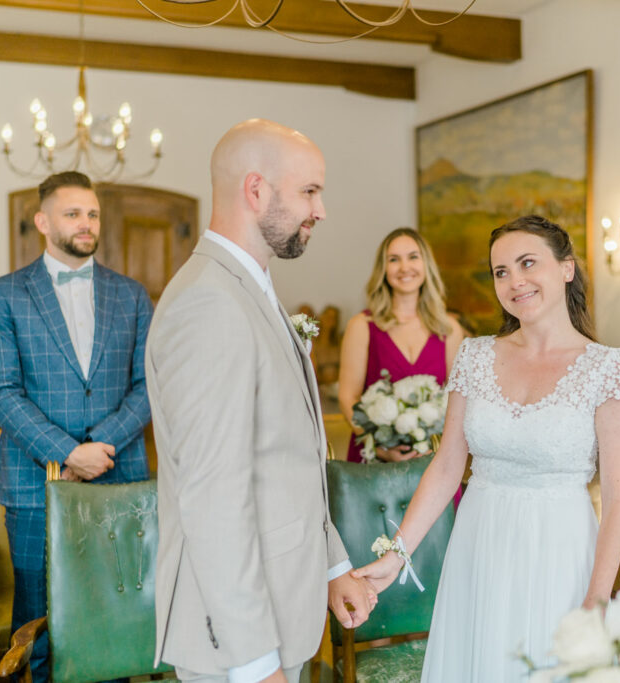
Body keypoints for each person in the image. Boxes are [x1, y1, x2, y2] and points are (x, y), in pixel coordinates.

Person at [355, 215, 620, 681]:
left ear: (567, 268)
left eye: (527, 263)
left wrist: (597, 600)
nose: (513, 281)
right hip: (479, 545)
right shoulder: (475, 355)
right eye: (500, 271)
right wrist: (395, 555)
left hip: (559, 551)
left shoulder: (608, 368)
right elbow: (447, 467)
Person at [145, 119, 375, 683]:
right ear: (256, 190)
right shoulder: (210, 305)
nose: (321, 210)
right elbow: (214, 497)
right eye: (309, 191)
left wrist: (332, 566)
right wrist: (252, 662)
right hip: (236, 641)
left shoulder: (249, 289)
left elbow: (285, 462)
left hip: (281, 602)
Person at [0, 171, 153, 682]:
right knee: (39, 614)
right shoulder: (4, 294)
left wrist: (103, 445)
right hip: (36, 483)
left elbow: (147, 384)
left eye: (92, 213)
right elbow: (1, 393)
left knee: (116, 608)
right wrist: (68, 453)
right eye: (73, 213)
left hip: (118, 476)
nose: (86, 223)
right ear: (42, 221)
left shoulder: (132, 294)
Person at [338, 228, 465, 462]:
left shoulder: (449, 329)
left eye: (413, 257)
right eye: (394, 260)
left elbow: (457, 403)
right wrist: (377, 444)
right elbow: (348, 395)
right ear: (383, 270)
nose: (405, 267)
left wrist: (434, 444)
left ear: (426, 264)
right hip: (374, 459)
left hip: (432, 459)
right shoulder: (362, 326)